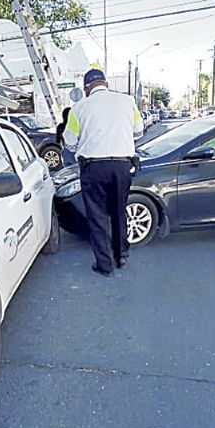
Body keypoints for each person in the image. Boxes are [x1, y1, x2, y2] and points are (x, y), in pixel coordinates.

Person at [63, 69, 144, 277]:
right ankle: (122, 255)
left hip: (93, 168)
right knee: (119, 210)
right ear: (105, 83)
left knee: (97, 216)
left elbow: (70, 143)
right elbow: (138, 131)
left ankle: (105, 265)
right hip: (122, 165)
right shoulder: (127, 101)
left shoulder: (78, 108)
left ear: (86, 88)